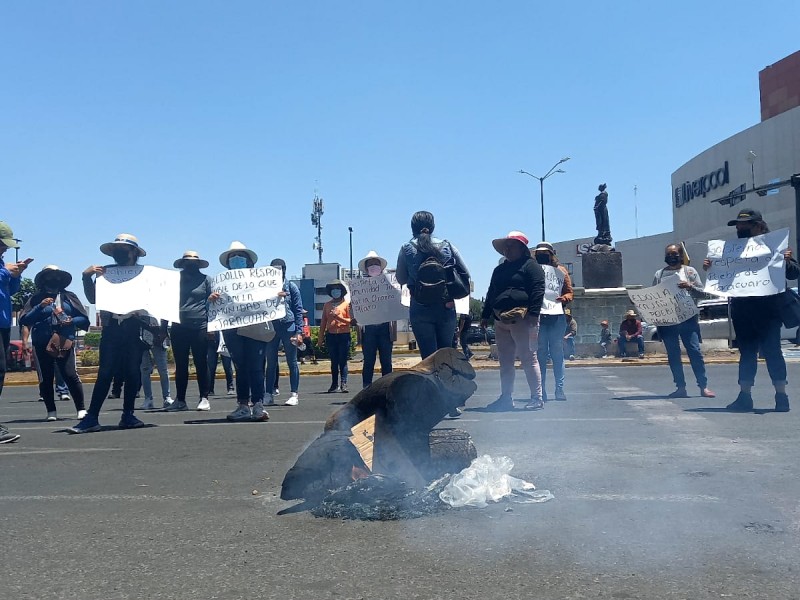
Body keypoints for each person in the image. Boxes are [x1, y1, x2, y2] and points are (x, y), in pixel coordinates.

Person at [703, 209, 799, 412]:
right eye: (738, 225)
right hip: (742, 310)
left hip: (768, 309)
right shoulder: (730, 251)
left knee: (773, 351)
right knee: (747, 353)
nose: (740, 228)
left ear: (759, 226)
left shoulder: (776, 246)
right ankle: (744, 395)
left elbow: (793, 273)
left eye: (745, 225)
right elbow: (721, 276)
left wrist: (786, 260)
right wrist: (711, 267)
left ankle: (781, 395)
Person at [70, 233, 151, 433]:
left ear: (134, 252)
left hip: (133, 327)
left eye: (123, 249)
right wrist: (86, 277)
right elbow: (93, 298)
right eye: (116, 250)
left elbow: (153, 301)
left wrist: (156, 329)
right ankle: (92, 417)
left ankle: (128, 415)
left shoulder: (143, 274)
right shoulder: (106, 274)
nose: (118, 253)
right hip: (112, 328)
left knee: (133, 373)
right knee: (105, 373)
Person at [481, 231, 545, 411]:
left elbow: (538, 290)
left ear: (522, 248)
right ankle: (506, 397)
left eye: (511, 246)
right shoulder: (499, 269)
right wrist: (485, 315)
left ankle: (537, 397)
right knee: (505, 360)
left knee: (528, 358)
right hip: (500, 319)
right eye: (506, 247)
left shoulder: (531, 266)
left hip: (523, 319)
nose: (507, 249)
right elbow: (491, 292)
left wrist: (534, 314)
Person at [396, 210, 471, 360]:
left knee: (428, 359)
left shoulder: (406, 248)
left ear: (412, 227)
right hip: (446, 306)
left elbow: (401, 279)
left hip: (419, 307)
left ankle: (431, 383)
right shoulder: (447, 245)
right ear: (433, 226)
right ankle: (445, 383)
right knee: (445, 355)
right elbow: (466, 273)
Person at [19, 265, 89, 421]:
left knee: (70, 374)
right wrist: (40, 306)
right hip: (42, 342)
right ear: (43, 279)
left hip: (64, 341)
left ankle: (81, 409)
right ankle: (51, 411)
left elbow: (84, 319)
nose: (53, 280)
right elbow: (24, 320)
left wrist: (71, 321)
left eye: (57, 277)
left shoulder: (69, 297)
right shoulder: (35, 298)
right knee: (46, 377)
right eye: (49, 276)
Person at [213, 242, 270, 422]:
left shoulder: (260, 280)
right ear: (228, 262)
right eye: (233, 256)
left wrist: (277, 296)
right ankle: (243, 405)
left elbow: (269, 298)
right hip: (232, 330)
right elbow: (216, 307)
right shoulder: (222, 283)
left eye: (240, 256)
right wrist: (212, 299)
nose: (236, 259)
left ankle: (258, 404)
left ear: (249, 261)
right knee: (241, 367)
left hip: (255, 328)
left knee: (256, 367)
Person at [653, 244, 715, 399]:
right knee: (673, 355)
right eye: (668, 253)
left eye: (674, 253)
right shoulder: (659, 274)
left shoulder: (690, 272)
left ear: (680, 255)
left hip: (688, 318)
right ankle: (680, 387)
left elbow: (703, 294)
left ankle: (703, 386)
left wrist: (690, 286)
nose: (671, 256)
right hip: (667, 321)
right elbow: (653, 296)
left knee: (694, 351)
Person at [165, 250, 213, 412]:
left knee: (201, 362)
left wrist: (212, 327)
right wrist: (162, 328)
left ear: (198, 264)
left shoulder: (206, 280)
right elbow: (165, 303)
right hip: (178, 326)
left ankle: (204, 397)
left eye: (193, 263)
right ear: (182, 264)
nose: (190, 265)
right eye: (187, 262)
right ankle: (180, 400)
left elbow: (214, 305)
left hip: (200, 325)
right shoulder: (174, 280)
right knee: (181, 364)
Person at [0, 222, 29, 444]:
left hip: (2, 323)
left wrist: (16, 275)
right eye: (2, 244)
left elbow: (11, 290)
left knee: (1, 371)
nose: (5, 249)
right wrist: (6, 273)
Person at [534, 242, 572, 401]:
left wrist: (563, 298)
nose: (542, 256)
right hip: (539, 317)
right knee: (541, 354)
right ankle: (541, 390)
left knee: (557, 354)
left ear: (551, 254)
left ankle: (559, 389)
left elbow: (569, 292)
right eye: (539, 253)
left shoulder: (561, 271)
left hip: (557, 316)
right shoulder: (532, 270)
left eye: (545, 253)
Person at [263, 258, 304, 407]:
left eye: (279, 269)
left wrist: (299, 331)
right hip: (272, 327)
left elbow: (298, 310)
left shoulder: (291, 286)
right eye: (273, 269)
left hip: (288, 326)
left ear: (284, 270)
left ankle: (294, 394)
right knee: (271, 362)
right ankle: (269, 393)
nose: (277, 272)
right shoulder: (265, 288)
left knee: (292, 361)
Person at [358, 251, 394, 387]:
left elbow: (396, 301)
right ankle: (366, 388)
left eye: (376, 264)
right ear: (366, 268)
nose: (373, 266)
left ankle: (387, 388)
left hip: (385, 327)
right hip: (369, 328)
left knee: (386, 361)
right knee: (368, 361)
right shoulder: (359, 286)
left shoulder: (389, 284)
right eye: (371, 264)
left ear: (381, 267)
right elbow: (354, 306)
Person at [319, 279, 354, 393]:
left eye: (338, 289)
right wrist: (320, 339)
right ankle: (334, 384)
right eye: (333, 289)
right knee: (334, 361)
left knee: (343, 361)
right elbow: (323, 322)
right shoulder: (327, 305)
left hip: (344, 334)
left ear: (342, 290)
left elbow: (352, 321)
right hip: (331, 336)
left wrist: (338, 317)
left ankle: (344, 383)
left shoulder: (346, 304)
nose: (335, 291)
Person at [139, 319, 171, 409]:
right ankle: (148, 399)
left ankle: (167, 397)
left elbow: (165, 317)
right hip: (144, 336)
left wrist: (163, 331)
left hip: (159, 335)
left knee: (163, 369)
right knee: (145, 369)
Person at [207, 331, 235, 396]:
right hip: (212, 340)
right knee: (211, 366)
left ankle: (230, 387)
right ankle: (210, 389)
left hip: (225, 341)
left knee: (227, 366)